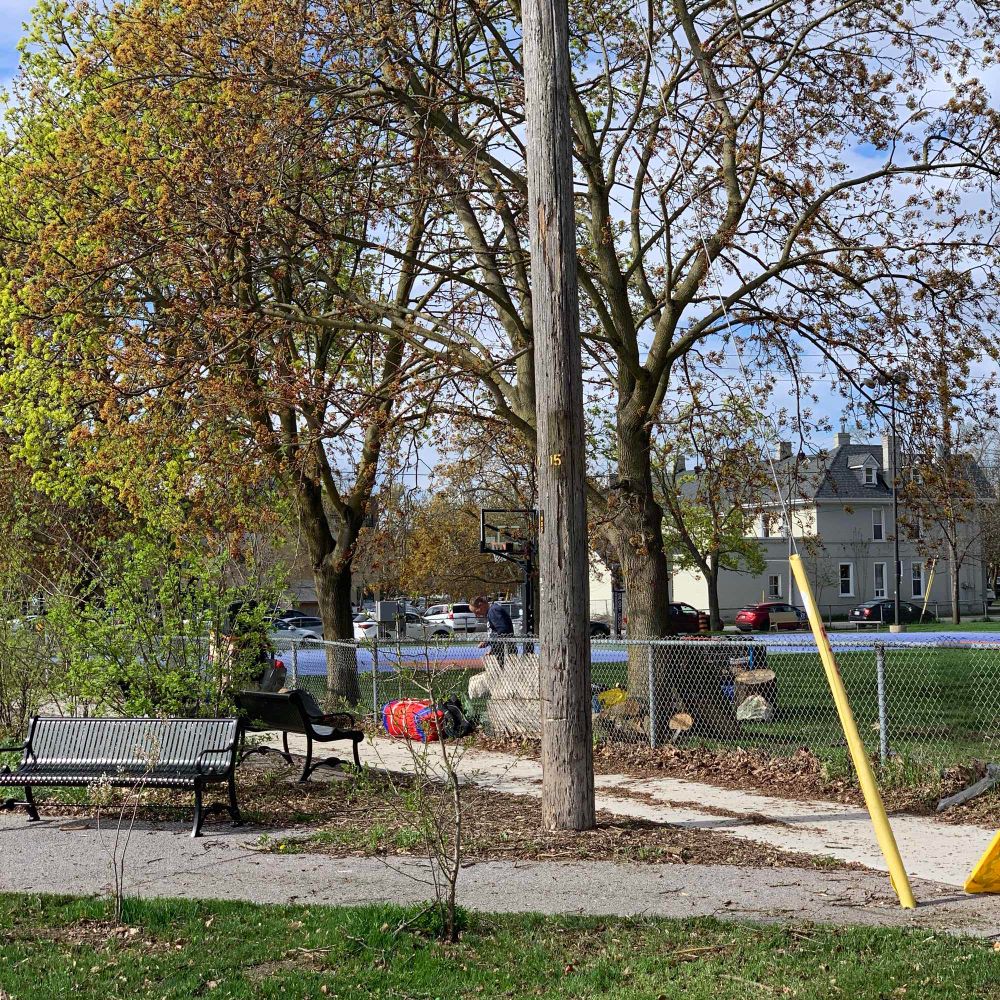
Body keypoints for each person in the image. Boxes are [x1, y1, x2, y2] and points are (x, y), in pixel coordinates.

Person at [471, 595, 513, 665]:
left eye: (476, 612)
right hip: (500, 650)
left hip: (505, 651)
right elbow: (496, 633)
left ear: (481, 605)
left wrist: (487, 642)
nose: (477, 615)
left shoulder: (493, 610)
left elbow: (503, 631)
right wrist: (493, 649)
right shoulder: (491, 612)